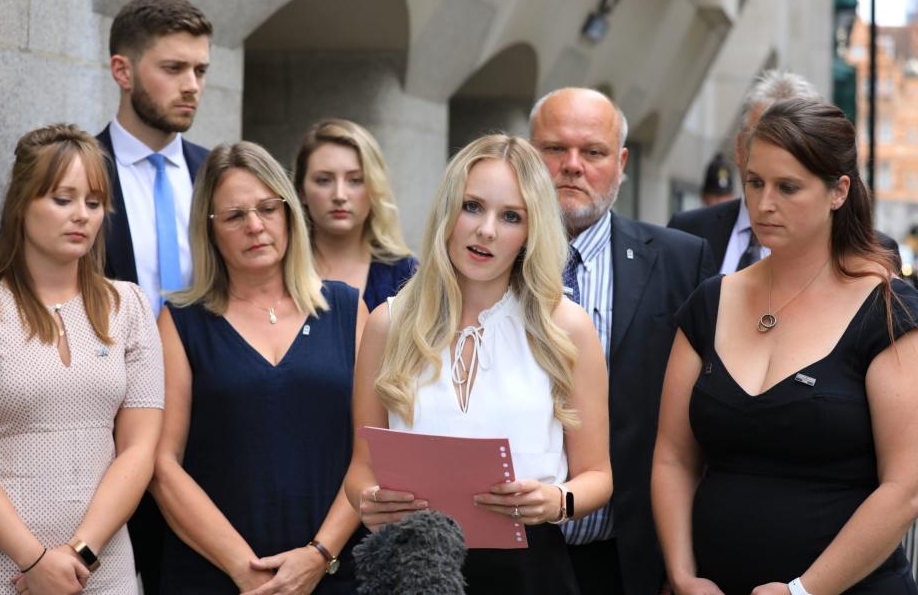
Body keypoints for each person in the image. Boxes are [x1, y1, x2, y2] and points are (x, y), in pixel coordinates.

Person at [652, 99, 918, 594]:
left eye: (787, 187)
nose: (763, 203)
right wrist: (684, 575)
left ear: (838, 191)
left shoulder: (887, 310)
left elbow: (904, 489)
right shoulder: (711, 301)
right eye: (754, 182)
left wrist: (804, 590)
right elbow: (672, 456)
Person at [343, 134, 613, 595]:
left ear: (531, 231)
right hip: (413, 569)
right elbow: (360, 467)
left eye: (511, 217)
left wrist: (555, 501)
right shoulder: (388, 323)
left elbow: (598, 476)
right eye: (472, 206)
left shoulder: (565, 327)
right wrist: (367, 501)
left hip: (529, 571)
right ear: (448, 211)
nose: (486, 230)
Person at [150, 141, 366, 594]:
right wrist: (247, 571)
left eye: (268, 208)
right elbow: (162, 465)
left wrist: (318, 556)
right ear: (209, 230)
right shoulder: (181, 321)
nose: (255, 226)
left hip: (334, 572)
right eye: (234, 216)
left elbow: (373, 455)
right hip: (215, 575)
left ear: (289, 213)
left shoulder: (347, 309)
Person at [0, 124, 164, 594]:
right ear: (22, 204)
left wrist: (78, 554)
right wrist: (33, 559)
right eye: (62, 199)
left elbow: (138, 450)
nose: (82, 217)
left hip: (102, 567)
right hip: (0, 566)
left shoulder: (128, 306)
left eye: (93, 203)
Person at [529, 87, 715, 595]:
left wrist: (683, 565)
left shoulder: (681, 261)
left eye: (593, 152)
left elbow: (700, 422)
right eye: (553, 149)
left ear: (621, 162)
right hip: (512, 557)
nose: (572, 166)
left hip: (630, 560)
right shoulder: (483, 260)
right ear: (527, 155)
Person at [95, 0, 212, 589]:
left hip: (213, 424)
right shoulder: (79, 174)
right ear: (123, 71)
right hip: (103, 426)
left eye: (200, 71)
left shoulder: (218, 174)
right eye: (173, 69)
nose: (191, 86)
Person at [668, 70, 821, 273]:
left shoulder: (845, 251)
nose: (773, 157)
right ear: (740, 148)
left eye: (789, 145)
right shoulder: (686, 232)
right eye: (760, 140)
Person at [292, 118, 417, 311]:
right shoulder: (279, 267)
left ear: (375, 187)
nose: (339, 195)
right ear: (301, 191)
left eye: (355, 180)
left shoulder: (405, 274)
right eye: (324, 180)